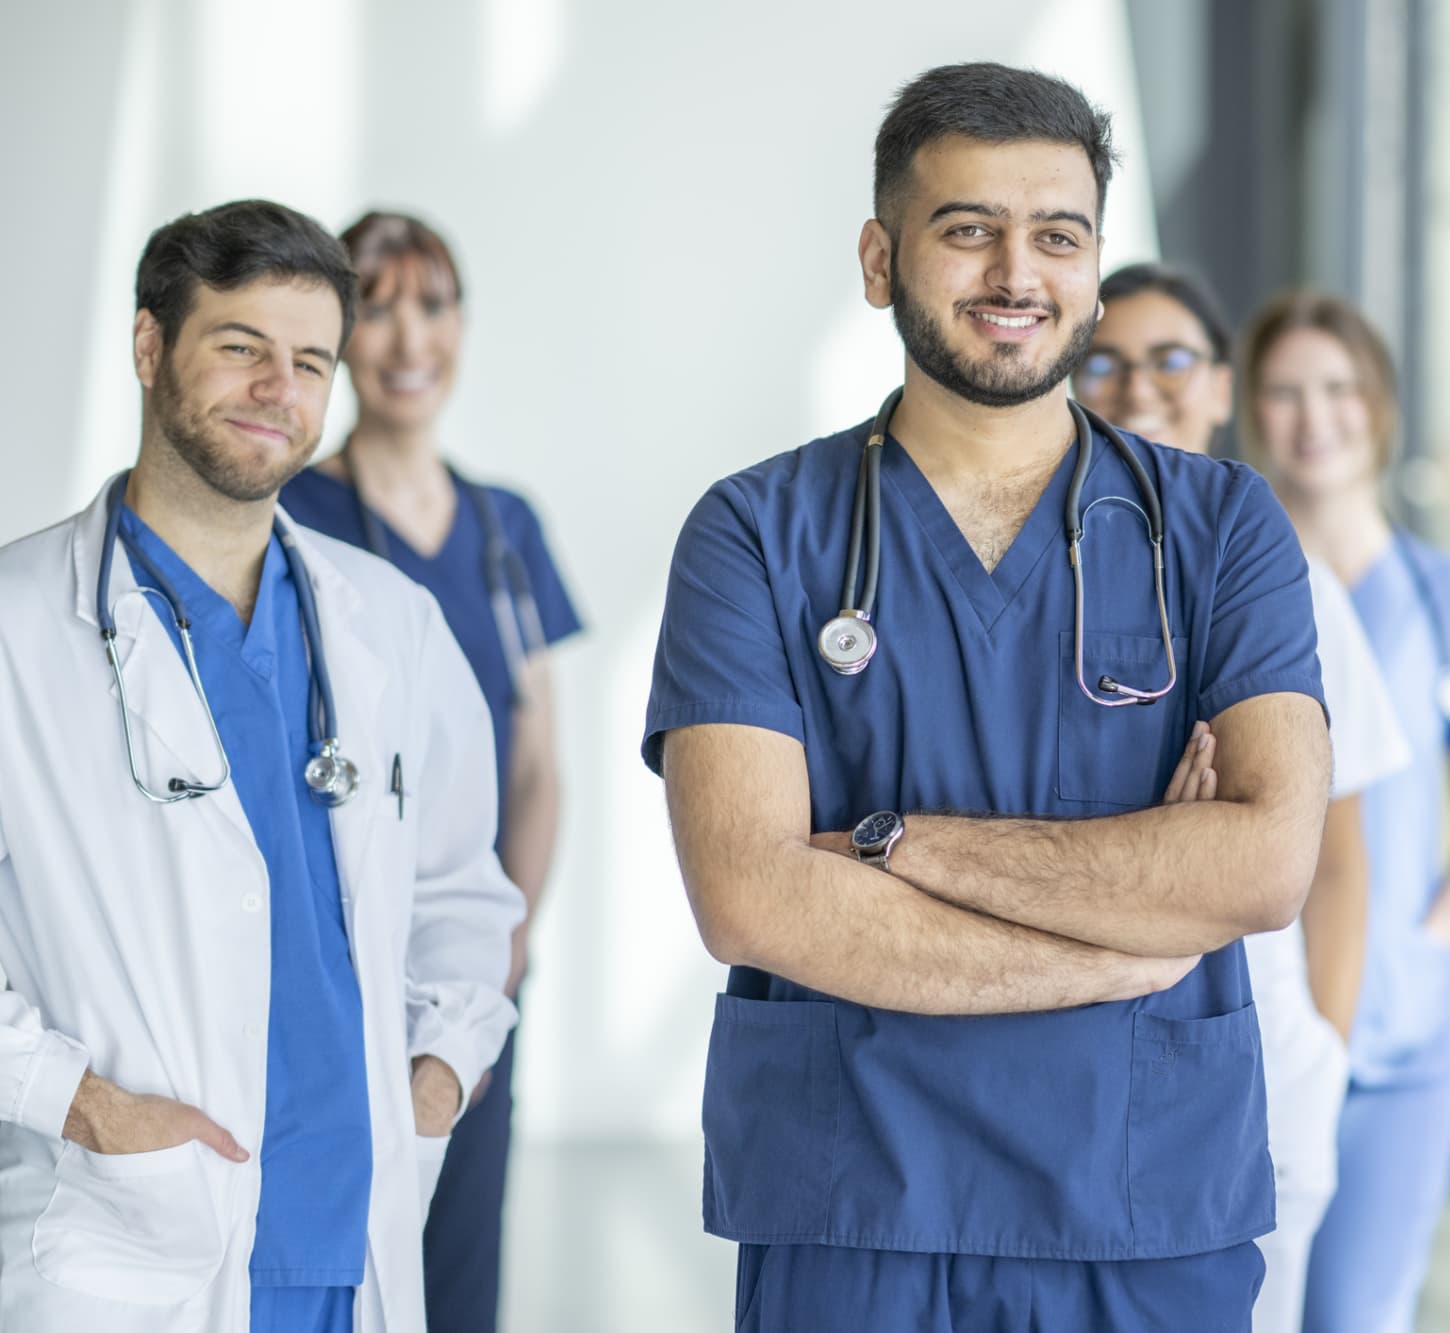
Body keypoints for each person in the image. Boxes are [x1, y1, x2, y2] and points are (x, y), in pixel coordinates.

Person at [643, 64, 1331, 1332]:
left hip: (1139, 1200)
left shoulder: (1220, 527)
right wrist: (1125, 940)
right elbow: (748, 897)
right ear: (878, 258)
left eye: (1056, 236)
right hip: (854, 1206)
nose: (1017, 273)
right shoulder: (754, 532)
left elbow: (1263, 868)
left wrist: (890, 844)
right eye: (968, 230)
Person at [0, 200, 519, 1333]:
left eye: (308, 361)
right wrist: (78, 1106)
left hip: (353, 1229)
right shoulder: (15, 625)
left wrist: (434, 1080)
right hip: (128, 1239)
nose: (277, 389)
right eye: (239, 347)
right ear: (150, 347)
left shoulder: (391, 623)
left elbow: (461, 896)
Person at [1077, 261, 1410, 1333]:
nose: (1140, 386)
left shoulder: (1286, 579)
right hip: (1078, 1063)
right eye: (1106, 361)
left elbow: (1341, 855)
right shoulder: (1041, 570)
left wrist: (1324, 1045)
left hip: (1268, 1057)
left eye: (1171, 358)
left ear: (1221, 386)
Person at [279, 211, 583, 1333]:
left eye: (434, 303)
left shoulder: (506, 527)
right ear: (342, 333)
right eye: (377, 303)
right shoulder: (291, 515)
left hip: (474, 969)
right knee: (329, 1255)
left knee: (458, 1268)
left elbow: (540, 761)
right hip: (334, 965)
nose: (409, 336)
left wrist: (498, 957)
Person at [1239, 291, 1450, 1331]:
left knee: (1358, 1315)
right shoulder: (1227, 588)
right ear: (1249, 411)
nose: (1311, 416)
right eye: (1283, 391)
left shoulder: (1447, 595)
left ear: (1378, 410)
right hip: (1263, 1027)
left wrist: (1427, 939)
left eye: (1336, 389)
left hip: (1403, 1043)